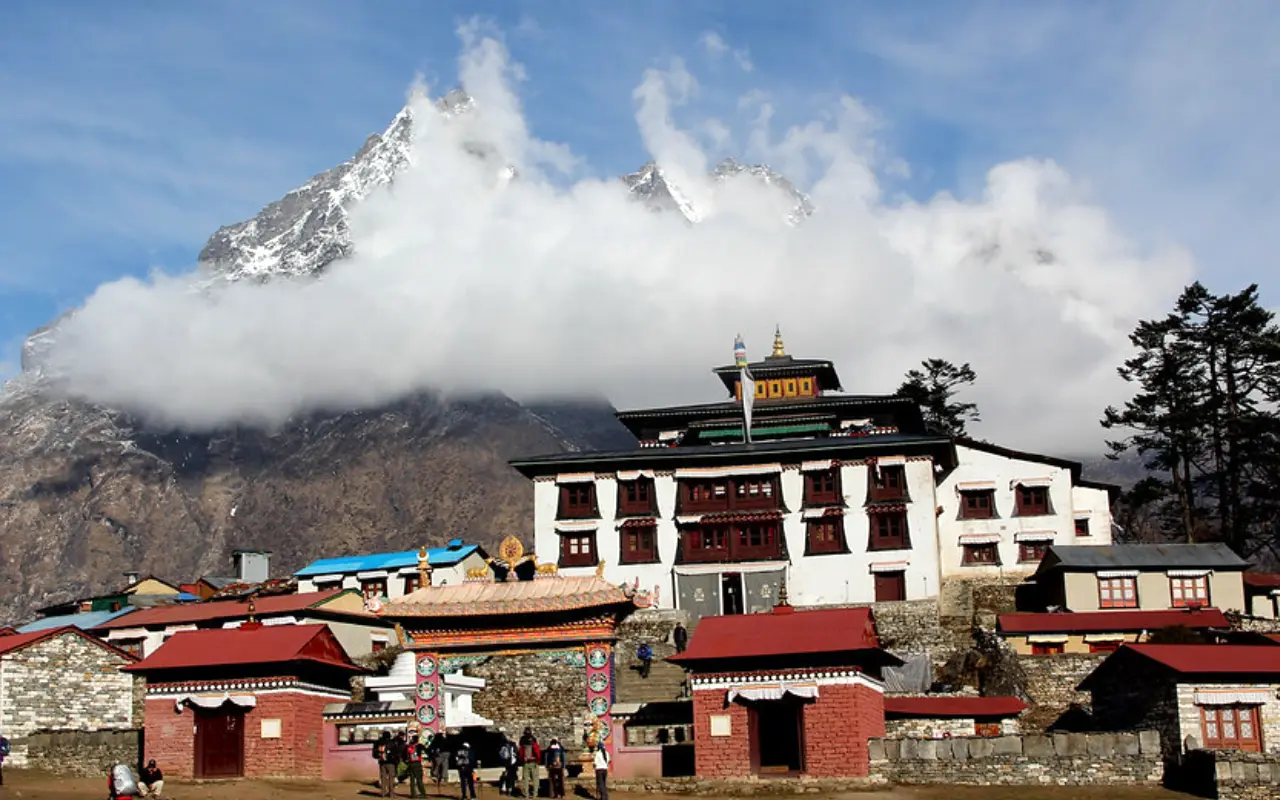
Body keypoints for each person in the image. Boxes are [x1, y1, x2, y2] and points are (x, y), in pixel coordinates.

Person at [518, 728, 541, 798]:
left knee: (525, 780)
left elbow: (520, 752)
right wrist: (537, 760)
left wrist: (522, 759)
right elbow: (537, 752)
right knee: (535, 779)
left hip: (526, 762)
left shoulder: (522, 741)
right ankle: (534, 794)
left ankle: (526, 795)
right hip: (533, 762)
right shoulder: (534, 740)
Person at [374, 730, 398, 797]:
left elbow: (374, 753)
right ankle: (391, 793)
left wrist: (379, 757)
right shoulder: (392, 742)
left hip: (382, 762)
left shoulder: (378, 742)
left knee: (383, 778)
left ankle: (383, 793)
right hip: (391, 763)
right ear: (389, 736)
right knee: (391, 778)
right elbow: (396, 753)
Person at [405, 733, 428, 798]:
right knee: (419, 779)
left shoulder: (409, 746)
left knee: (412, 780)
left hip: (410, 764)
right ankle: (423, 794)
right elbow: (426, 750)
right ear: (417, 740)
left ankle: (413, 795)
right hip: (417, 764)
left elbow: (405, 755)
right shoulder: (419, 746)